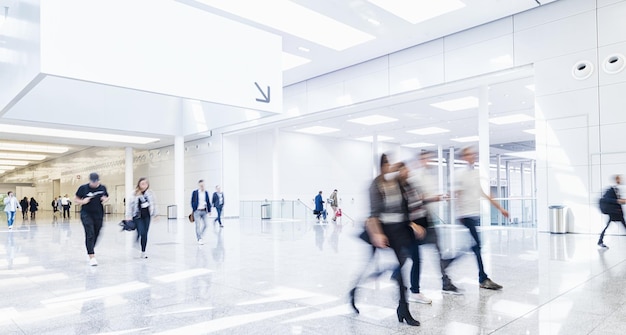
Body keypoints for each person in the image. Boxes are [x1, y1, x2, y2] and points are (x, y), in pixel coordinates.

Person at [349, 155, 423, 327]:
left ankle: (403, 308)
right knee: (369, 265)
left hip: (398, 231)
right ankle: (353, 292)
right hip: (382, 230)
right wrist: (377, 234)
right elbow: (374, 213)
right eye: (387, 163)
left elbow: (403, 209)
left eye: (391, 164)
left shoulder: (397, 182)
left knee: (400, 268)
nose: (390, 167)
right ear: (381, 166)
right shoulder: (376, 185)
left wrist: (412, 224)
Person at [405, 151, 462, 305]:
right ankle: (403, 279)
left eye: (428, 158)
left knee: (436, 250)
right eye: (424, 158)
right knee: (413, 256)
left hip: (427, 219)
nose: (427, 161)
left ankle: (445, 281)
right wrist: (434, 198)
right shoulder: (414, 177)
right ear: (418, 160)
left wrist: (438, 198)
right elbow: (416, 199)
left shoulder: (430, 176)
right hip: (417, 222)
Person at [456, 146, 508, 290]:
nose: (472, 156)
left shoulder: (476, 173)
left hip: (474, 214)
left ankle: (449, 261)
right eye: (468, 154)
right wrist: (459, 212)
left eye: (473, 154)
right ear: (463, 157)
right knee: (477, 245)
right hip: (465, 215)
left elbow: (485, 193)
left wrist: (500, 208)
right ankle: (483, 278)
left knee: (475, 246)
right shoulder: (460, 174)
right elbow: (457, 194)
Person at [75, 172, 109, 266]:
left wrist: (105, 199)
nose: (94, 184)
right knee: (90, 233)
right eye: (92, 182)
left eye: (96, 182)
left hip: (98, 214)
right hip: (86, 213)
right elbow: (76, 199)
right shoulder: (83, 188)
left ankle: (90, 249)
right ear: (90, 180)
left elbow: (106, 196)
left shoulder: (102, 188)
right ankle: (92, 256)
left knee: (97, 233)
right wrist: (83, 201)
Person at [126, 177, 157, 258]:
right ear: (139, 184)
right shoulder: (134, 193)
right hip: (137, 216)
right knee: (141, 231)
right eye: (142, 183)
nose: (144, 185)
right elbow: (130, 205)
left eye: (146, 183)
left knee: (145, 234)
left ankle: (143, 252)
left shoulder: (150, 193)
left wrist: (155, 214)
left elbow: (154, 204)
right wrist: (128, 215)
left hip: (147, 216)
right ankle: (136, 239)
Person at [598, 175, 626, 249]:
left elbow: (617, 201)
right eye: (619, 179)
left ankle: (600, 241)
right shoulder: (610, 190)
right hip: (614, 213)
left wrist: (621, 201)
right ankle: (600, 241)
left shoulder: (616, 189)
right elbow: (607, 199)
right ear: (616, 180)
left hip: (618, 213)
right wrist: (618, 201)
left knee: (623, 226)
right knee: (607, 227)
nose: (621, 180)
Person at [191, 180, 211, 245]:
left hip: (204, 211)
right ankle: (199, 238)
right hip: (197, 211)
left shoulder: (206, 193)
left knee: (206, 225)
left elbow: (208, 202)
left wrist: (209, 211)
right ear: (199, 185)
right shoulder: (195, 192)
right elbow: (192, 201)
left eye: (203, 185)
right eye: (201, 185)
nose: (202, 186)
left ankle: (200, 235)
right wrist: (194, 209)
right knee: (197, 225)